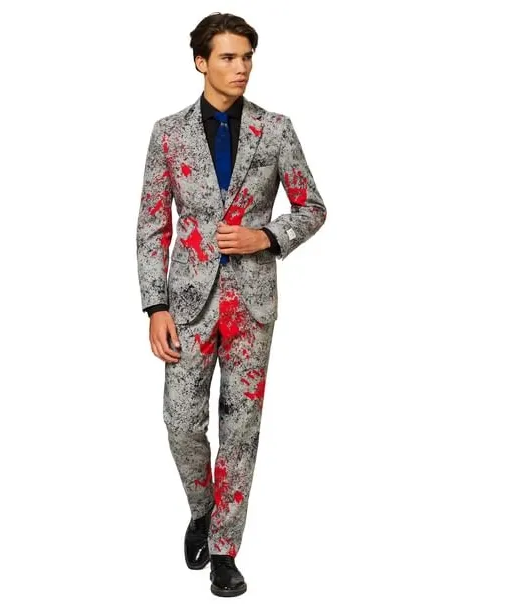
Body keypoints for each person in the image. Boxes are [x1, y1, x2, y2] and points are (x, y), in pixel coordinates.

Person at [135, 12, 326, 597]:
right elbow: (152, 225)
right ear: (201, 62)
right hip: (186, 306)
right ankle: (203, 507)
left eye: (247, 57)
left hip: (251, 306)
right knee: (180, 423)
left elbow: (313, 207)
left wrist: (264, 236)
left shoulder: (276, 129)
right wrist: (155, 306)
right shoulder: (168, 134)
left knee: (241, 431)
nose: (241, 67)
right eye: (228, 57)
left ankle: (225, 548)